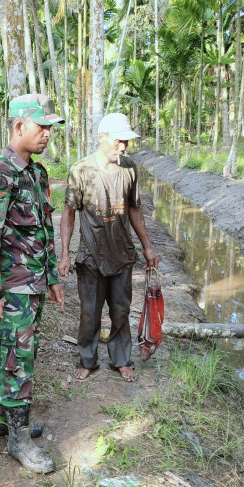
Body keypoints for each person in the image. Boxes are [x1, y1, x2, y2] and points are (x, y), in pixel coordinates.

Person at [0, 94, 66, 474]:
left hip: (32, 283)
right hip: (10, 287)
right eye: (41, 126)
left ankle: (3, 419)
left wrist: (53, 278)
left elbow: (44, 230)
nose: (47, 134)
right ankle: (18, 440)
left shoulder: (36, 173)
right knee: (16, 359)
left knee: (11, 354)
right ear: (18, 127)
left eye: (50, 128)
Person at [58, 113, 159, 382]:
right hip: (91, 256)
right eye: (118, 140)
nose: (123, 146)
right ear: (102, 139)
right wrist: (65, 253)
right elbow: (69, 213)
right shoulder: (81, 170)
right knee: (89, 313)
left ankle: (121, 360)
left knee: (121, 310)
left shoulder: (129, 169)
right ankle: (87, 360)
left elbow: (135, 210)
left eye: (126, 141)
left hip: (122, 254)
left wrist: (147, 247)